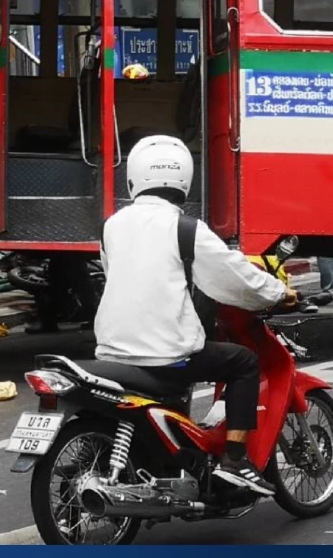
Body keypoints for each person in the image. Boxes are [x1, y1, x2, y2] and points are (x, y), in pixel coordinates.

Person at [94, 135, 295, 497]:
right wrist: (280, 292)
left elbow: (118, 276)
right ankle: (235, 461)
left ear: (134, 177)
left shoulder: (111, 226)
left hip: (111, 349)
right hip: (165, 353)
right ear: (184, 179)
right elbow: (234, 276)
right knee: (244, 362)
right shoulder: (186, 228)